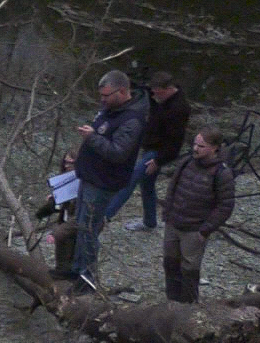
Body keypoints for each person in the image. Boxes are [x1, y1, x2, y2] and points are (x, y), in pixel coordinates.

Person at [65, 70, 149, 289]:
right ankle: (76, 269)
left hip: (103, 183)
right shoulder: (110, 110)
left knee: (89, 229)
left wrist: (92, 137)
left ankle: (88, 279)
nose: (102, 100)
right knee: (81, 225)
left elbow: (118, 152)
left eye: (106, 95)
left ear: (122, 91)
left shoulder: (132, 120)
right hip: (89, 177)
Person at [158, 128, 236, 304]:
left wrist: (205, 230)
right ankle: (172, 302)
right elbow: (172, 188)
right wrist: (167, 214)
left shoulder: (222, 173)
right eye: (194, 144)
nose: (195, 148)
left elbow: (226, 206)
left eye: (201, 146)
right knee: (170, 264)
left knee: (189, 270)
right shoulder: (186, 163)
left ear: (215, 148)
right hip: (174, 223)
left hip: (194, 230)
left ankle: (188, 307)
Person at [112, 70, 191, 231]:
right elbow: (148, 93)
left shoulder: (179, 108)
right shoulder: (162, 96)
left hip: (158, 152)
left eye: (158, 93)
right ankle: (149, 222)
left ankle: (103, 216)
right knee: (147, 185)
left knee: (131, 180)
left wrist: (158, 161)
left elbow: (175, 142)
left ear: (168, 89)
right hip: (150, 145)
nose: (155, 95)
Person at [34, 152, 78, 276]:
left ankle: (68, 273)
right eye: (65, 162)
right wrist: (47, 208)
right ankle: (61, 271)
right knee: (62, 249)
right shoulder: (65, 180)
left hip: (74, 226)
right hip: (65, 221)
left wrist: (56, 234)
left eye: (71, 163)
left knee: (70, 248)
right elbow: (61, 203)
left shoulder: (82, 184)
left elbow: (78, 218)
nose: (67, 165)